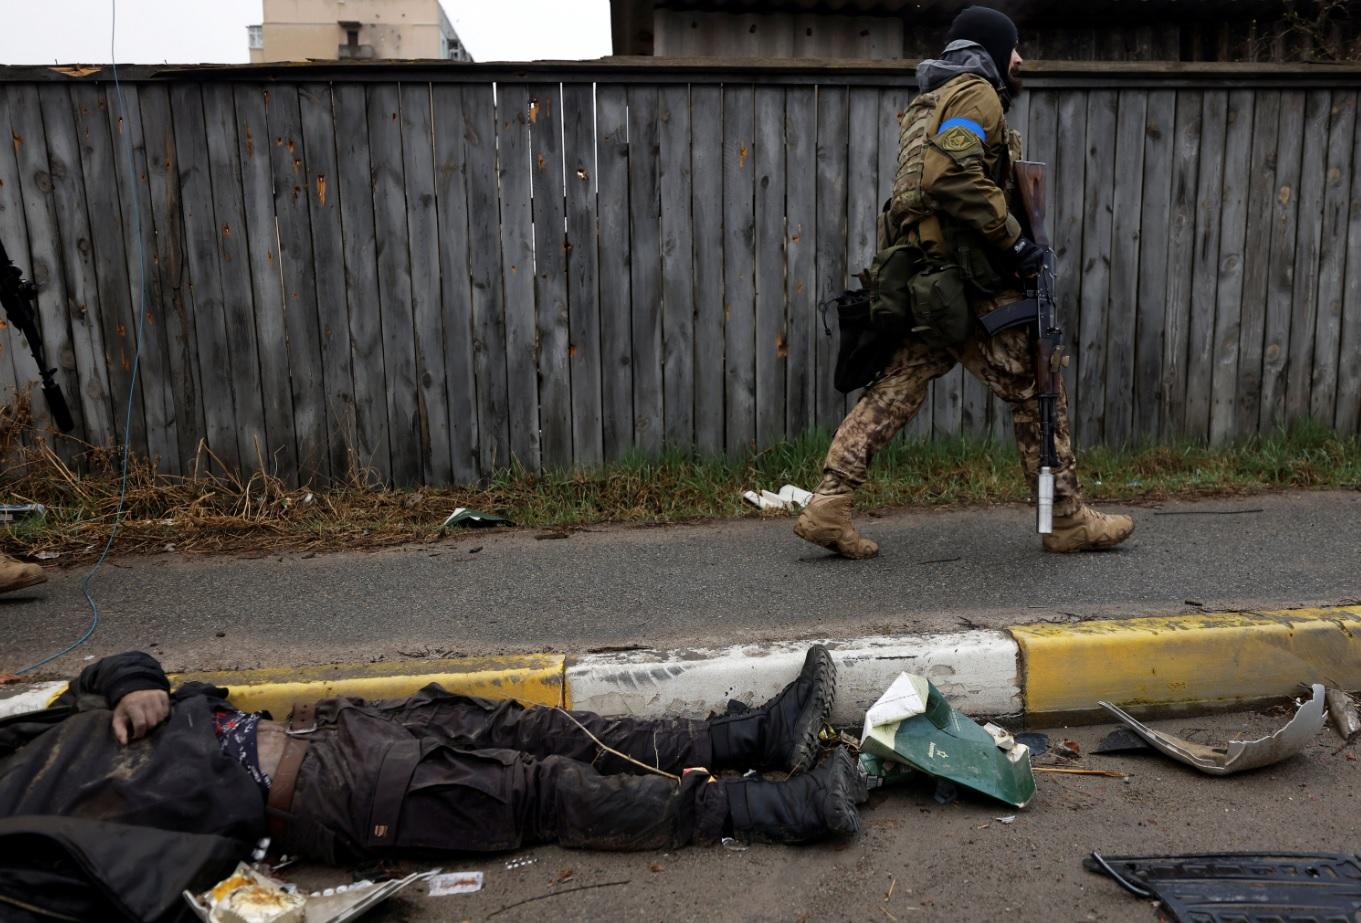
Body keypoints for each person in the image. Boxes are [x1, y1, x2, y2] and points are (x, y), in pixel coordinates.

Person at [0, 646, 864, 921]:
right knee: (538, 789)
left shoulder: (13, 740)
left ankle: (749, 735)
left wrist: (133, 682)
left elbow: (101, 670)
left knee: (539, 725)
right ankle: (780, 806)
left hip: (330, 724)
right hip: (318, 787)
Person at [795, 4, 1134, 559]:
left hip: (933, 280)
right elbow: (950, 175)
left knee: (899, 385)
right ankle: (1065, 517)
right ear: (991, 50)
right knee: (1037, 385)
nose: (1019, 59)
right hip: (971, 282)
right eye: (1013, 47)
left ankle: (829, 505)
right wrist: (1016, 243)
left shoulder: (930, 103)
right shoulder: (976, 93)